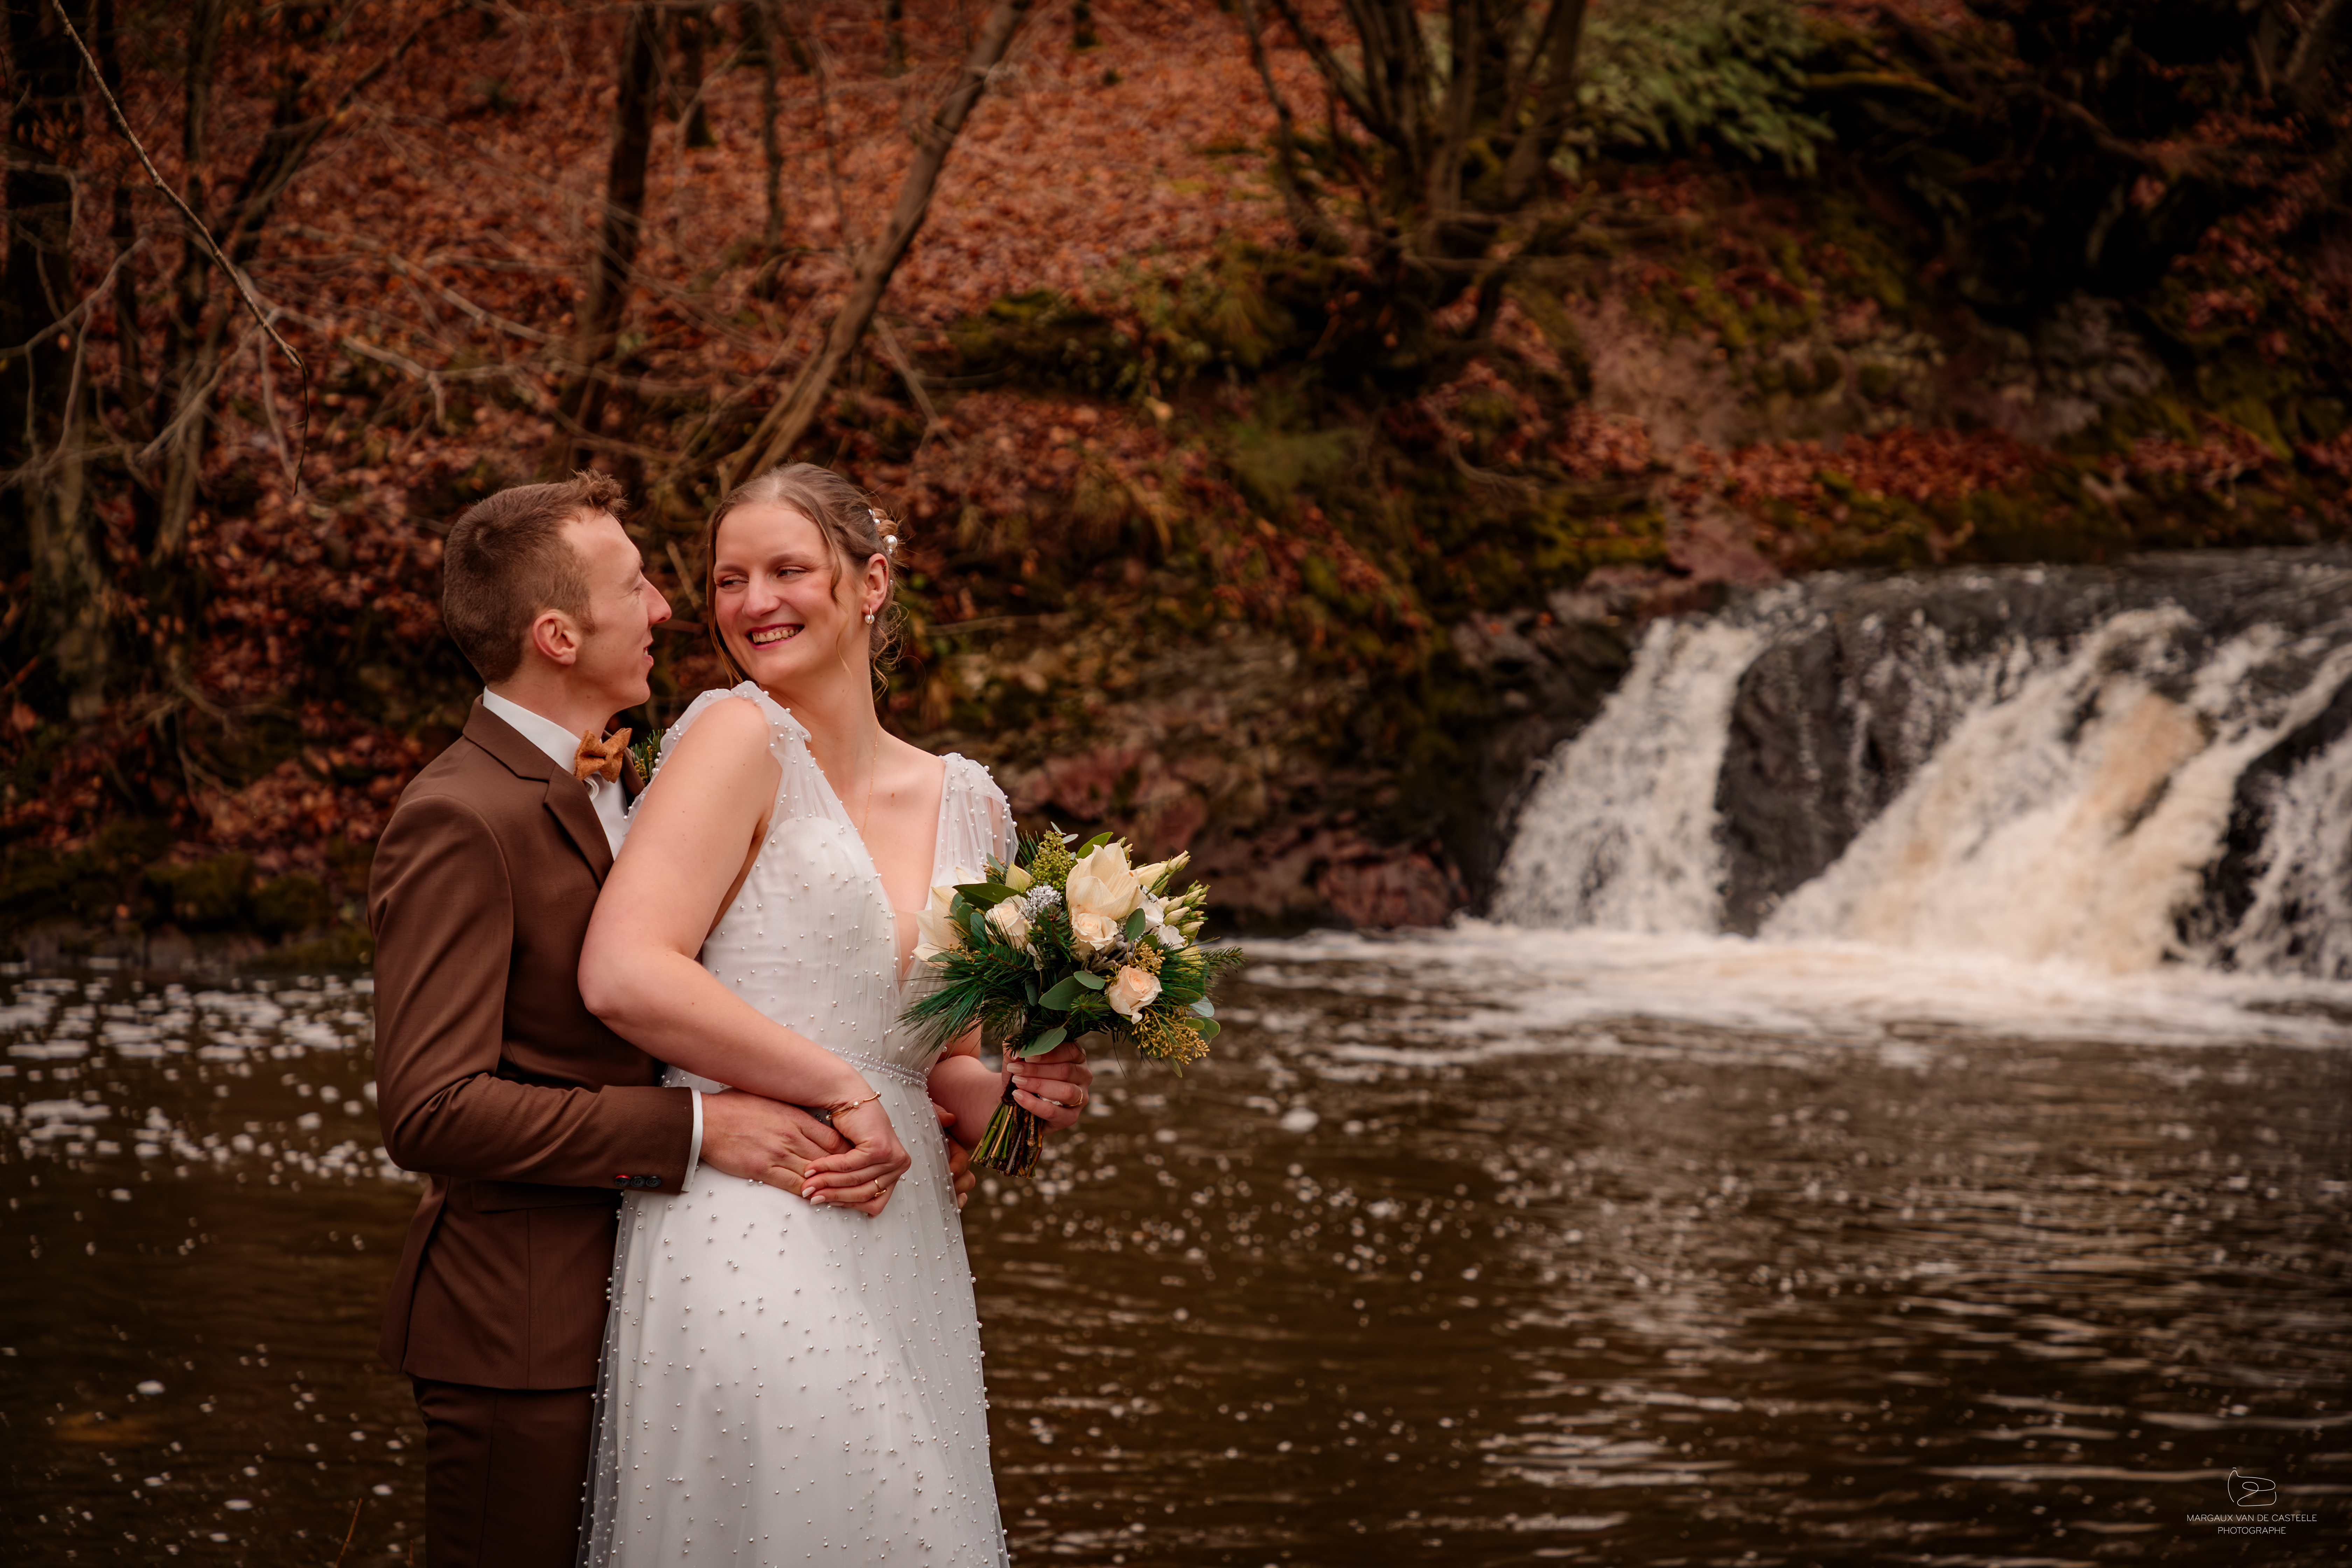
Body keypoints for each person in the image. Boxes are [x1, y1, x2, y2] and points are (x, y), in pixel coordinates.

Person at [370, 473, 975, 1568]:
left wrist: (971, 1098)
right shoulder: (461, 814)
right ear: (558, 634)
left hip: (691, 1274)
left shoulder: (636, 773)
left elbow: (781, 990)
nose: (669, 611)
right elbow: (431, 1109)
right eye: (647, 585)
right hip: (525, 1327)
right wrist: (699, 1134)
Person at [573, 463, 1093, 1567]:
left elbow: (935, 1059)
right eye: (728, 579)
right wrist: (840, 1088)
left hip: (903, 1238)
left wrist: (1012, 1097)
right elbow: (626, 972)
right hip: (754, 1210)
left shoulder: (971, 802)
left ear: (871, 583)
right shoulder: (732, 739)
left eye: (787, 570)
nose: (754, 601)